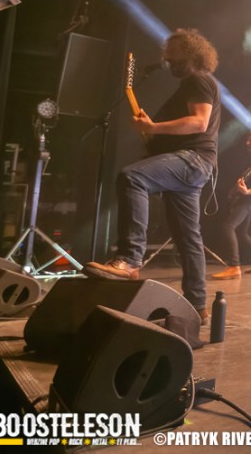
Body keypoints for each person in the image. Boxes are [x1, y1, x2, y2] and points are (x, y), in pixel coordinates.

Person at [84, 28, 221, 323]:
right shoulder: (193, 84)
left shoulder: (198, 80)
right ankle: (197, 305)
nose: (167, 59)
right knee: (188, 237)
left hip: (192, 160)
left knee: (132, 177)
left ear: (191, 52)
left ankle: (130, 259)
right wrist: (154, 136)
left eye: (172, 54)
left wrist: (154, 128)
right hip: (193, 164)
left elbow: (199, 123)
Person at [211, 131, 251, 279]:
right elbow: (244, 179)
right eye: (247, 140)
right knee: (242, 234)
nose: (247, 143)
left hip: (250, 201)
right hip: (244, 199)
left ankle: (234, 267)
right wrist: (234, 191)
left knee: (228, 227)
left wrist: (246, 192)